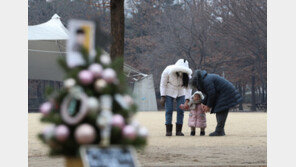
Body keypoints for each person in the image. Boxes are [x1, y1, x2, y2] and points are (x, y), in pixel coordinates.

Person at [190, 70, 242, 136]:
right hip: (224, 93)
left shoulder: (206, 81)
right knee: (219, 109)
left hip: (226, 93)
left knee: (220, 109)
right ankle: (220, 130)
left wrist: (208, 106)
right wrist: (204, 103)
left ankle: (219, 131)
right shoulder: (206, 79)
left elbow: (212, 94)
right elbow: (209, 93)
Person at [160, 59, 192, 136]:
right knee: (169, 110)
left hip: (181, 91)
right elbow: (163, 84)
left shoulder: (187, 75)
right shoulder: (167, 70)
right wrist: (163, 96)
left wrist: (187, 100)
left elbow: (188, 88)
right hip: (169, 90)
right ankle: (168, 131)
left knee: (180, 110)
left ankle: (178, 131)